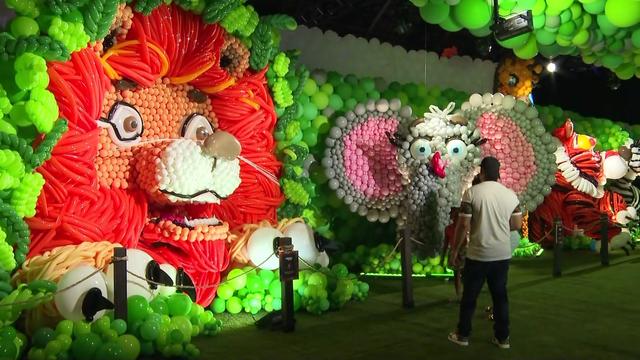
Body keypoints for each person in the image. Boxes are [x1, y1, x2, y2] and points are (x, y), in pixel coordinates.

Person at [447, 157, 522, 349]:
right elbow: (516, 225)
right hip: (501, 255)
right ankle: (502, 338)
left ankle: (462, 335)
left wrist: (454, 249)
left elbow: (463, 224)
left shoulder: (471, 193)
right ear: (499, 173)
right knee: (500, 297)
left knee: (470, 297)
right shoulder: (511, 195)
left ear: (481, 173)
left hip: (478, 254)